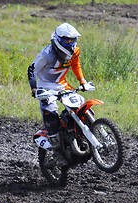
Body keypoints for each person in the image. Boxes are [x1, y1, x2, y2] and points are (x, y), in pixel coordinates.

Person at [27, 22, 95, 164]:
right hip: (45, 85)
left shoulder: (75, 51)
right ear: (58, 39)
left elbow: (76, 65)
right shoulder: (47, 54)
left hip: (61, 83)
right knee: (50, 111)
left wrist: (82, 80)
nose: (70, 43)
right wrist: (34, 88)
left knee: (80, 103)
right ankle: (57, 151)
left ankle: (82, 134)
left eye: (73, 40)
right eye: (66, 40)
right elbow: (32, 69)